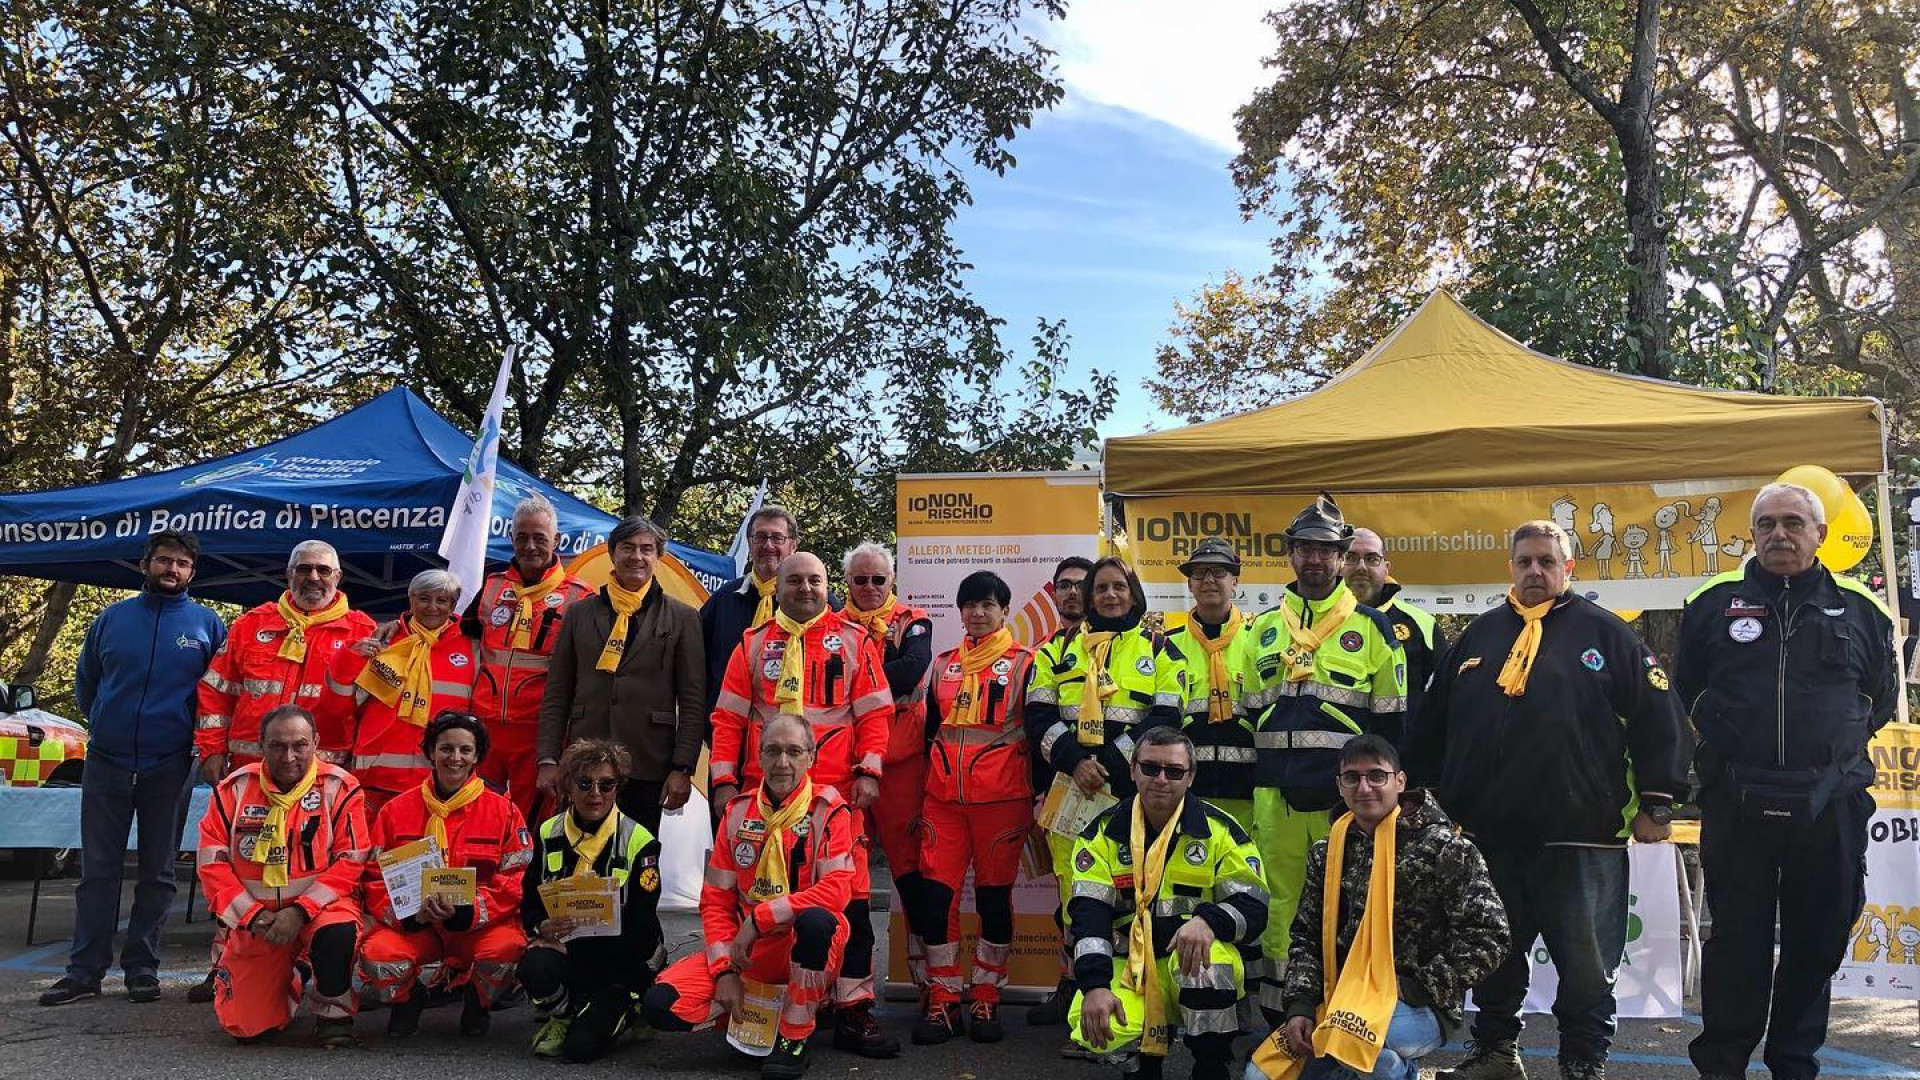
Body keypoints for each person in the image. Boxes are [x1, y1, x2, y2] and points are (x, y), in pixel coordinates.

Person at [1407, 520, 1688, 1080]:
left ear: (1568, 569)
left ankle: (1583, 1063)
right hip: (1485, 840)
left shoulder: (1607, 635)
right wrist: (1415, 793)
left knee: (1586, 967)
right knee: (1493, 956)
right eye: (1525, 562)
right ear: (1510, 568)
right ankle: (1495, 1054)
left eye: (1546, 561)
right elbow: (1431, 724)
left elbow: (1663, 720)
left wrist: (1659, 802)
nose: (1535, 571)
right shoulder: (1477, 637)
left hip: (1580, 839)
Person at [1679, 482, 1897, 1080]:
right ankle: (1723, 1063)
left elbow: (1878, 700)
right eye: (1767, 524)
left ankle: (1793, 1061)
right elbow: (1685, 689)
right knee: (1737, 943)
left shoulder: (1861, 608)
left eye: (1794, 523)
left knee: (1818, 938)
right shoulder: (1712, 601)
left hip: (1831, 804)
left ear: (1820, 534)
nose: (1780, 534)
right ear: (1752, 535)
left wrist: (1826, 755)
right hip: (1737, 801)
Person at [708, 551, 898, 1057]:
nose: (807, 588)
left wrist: (870, 770)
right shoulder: (751, 644)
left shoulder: (855, 641)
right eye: (796, 580)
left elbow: (877, 713)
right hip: (765, 799)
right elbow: (727, 720)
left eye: (815, 580)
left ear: (827, 585)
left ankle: (854, 1009)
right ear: (779, 586)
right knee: (765, 898)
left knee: (850, 904)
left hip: (836, 798)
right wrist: (723, 779)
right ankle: (777, 997)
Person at [1236, 494, 1406, 1020]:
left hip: (1348, 803)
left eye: (1326, 550)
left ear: (1342, 557)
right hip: (1275, 801)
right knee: (1282, 908)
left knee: (1352, 906)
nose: (1315, 559)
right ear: (1290, 554)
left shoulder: (1374, 628)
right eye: (1305, 548)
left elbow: (1392, 725)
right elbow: (1248, 714)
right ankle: (1282, 1018)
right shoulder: (1261, 629)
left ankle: (1349, 1014)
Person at [40, 531, 226, 1008]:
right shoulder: (112, 619)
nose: (172, 570)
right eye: (164, 560)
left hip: (170, 763)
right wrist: (107, 725)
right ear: (146, 564)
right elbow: (88, 684)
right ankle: (84, 972)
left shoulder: (208, 625)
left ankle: (142, 968)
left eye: (182, 563)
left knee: (158, 871)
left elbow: (216, 695)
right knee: (97, 870)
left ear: (192, 571)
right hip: (108, 759)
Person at [1257, 734, 1508, 1080]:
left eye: (1377, 775)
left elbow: (1491, 935)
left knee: (1349, 1043)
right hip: (1339, 999)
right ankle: (1390, 1070)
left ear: (1400, 781)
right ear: (1340, 786)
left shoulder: (1445, 847)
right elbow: (1307, 936)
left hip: (1416, 1003)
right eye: (1352, 777)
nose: (1364, 787)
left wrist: (1418, 985)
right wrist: (1300, 1006)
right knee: (1260, 1074)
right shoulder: (1327, 851)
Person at [189, 539, 375, 1004]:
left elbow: (372, 708)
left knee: (319, 876)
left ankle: (318, 965)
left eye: (323, 571)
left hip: (323, 785)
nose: (314, 578)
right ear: (288, 575)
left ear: (339, 578)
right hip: (248, 776)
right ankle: (223, 967)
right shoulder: (253, 624)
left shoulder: (361, 631)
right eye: (304, 569)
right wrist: (211, 747)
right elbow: (216, 690)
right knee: (239, 873)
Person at [644, 713, 861, 1080]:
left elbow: (837, 892)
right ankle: (751, 1019)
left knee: (818, 922)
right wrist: (725, 970)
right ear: (758, 757)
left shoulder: (830, 811)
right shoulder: (737, 811)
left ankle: (795, 1034)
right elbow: (715, 901)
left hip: (796, 941)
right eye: (773, 751)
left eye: (794, 751)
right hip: (747, 952)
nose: (782, 763)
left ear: (812, 757)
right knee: (660, 1006)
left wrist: (761, 917)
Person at [1027, 555, 1184, 1026]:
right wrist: (1076, 762)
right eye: (1101, 589)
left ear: (1134, 594)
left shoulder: (1161, 650)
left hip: (1133, 792)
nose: (1110, 596)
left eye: (1119, 587)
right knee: (1076, 898)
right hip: (1071, 792)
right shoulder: (1055, 652)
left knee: (1129, 897)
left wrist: (1112, 763)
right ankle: (1078, 996)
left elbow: (1166, 717)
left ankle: (1135, 1001)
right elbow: (1038, 717)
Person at [1066, 727, 1268, 1080]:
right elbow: (1088, 918)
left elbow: (1253, 906)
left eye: (1174, 771)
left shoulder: (1220, 831)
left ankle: (1211, 1065)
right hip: (1127, 962)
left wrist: (1209, 921)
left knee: (1211, 969)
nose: (1161, 779)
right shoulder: (1101, 835)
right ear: (1132, 770)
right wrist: (1095, 985)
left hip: (1187, 962)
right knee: (1094, 1019)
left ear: (1190, 777)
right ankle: (1138, 1068)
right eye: (1150, 768)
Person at [908, 570, 1037, 1045]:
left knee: (991, 900)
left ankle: (986, 995)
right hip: (943, 801)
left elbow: (1037, 730)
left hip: (1002, 802)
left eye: (987, 604)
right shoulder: (943, 665)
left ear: (1004, 611)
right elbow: (930, 733)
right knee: (934, 899)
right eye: (969, 605)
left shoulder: (1027, 663)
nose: (978, 613)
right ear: (960, 611)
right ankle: (943, 998)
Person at [194, 705, 368, 1047]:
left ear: (316, 743)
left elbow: (351, 861)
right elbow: (212, 865)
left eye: (299, 745)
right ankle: (294, 973)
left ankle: (334, 1015)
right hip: (259, 920)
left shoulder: (339, 788)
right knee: (245, 1027)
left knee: (337, 932)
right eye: (277, 745)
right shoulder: (233, 791)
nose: (289, 756)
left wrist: (300, 911)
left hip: (319, 912)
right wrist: (253, 915)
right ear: (260, 745)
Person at [359, 711, 533, 1038]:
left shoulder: (504, 811)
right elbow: (373, 879)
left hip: (475, 925)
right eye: (446, 748)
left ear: (478, 756)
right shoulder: (395, 811)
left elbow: (516, 878)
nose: (455, 758)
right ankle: (408, 1000)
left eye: (465, 750)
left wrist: (467, 911)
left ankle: (477, 1002)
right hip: (416, 924)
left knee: (506, 950)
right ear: (431, 751)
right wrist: (411, 914)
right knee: (378, 956)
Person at [538, 515, 705, 836]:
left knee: (638, 859)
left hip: (649, 761)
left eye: (646, 549)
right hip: (584, 761)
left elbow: (693, 700)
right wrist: (547, 758)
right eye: (627, 548)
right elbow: (557, 693)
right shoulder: (579, 614)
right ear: (612, 554)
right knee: (581, 859)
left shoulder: (683, 618)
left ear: (659, 558)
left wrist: (683, 767)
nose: (637, 556)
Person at [519, 738, 666, 1063]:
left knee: (580, 1050)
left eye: (606, 784)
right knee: (532, 965)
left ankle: (629, 1008)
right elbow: (528, 899)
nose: (595, 793)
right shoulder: (546, 833)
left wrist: (581, 946)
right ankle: (565, 1012)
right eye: (585, 783)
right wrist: (540, 926)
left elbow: (642, 924)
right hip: (569, 952)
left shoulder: (640, 840)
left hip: (621, 960)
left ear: (618, 787)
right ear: (568, 787)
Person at [840, 542, 935, 1000]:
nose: (871, 588)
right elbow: (887, 675)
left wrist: (856, 674)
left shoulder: (913, 620)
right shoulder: (831, 625)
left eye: (879, 579)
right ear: (848, 583)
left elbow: (913, 669)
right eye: (861, 580)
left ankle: (931, 985)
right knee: (843, 877)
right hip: (845, 764)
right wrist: (880, 670)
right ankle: (844, 987)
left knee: (911, 875)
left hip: (901, 766)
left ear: (892, 580)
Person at [469, 493, 596, 825]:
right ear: (511, 539)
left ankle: (523, 879)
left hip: (539, 732)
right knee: (481, 817)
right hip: (486, 728)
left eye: (539, 538)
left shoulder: (580, 597)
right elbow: (449, 633)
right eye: (521, 537)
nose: (530, 546)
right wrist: (398, 625)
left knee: (532, 824)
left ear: (555, 540)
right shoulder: (492, 587)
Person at [318, 569, 478, 819]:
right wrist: (350, 658)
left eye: (442, 600)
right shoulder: (381, 642)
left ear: (454, 604)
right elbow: (337, 708)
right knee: (373, 856)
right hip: (375, 781)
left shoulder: (472, 649)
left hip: (439, 785)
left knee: (426, 857)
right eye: (424, 598)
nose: (432, 607)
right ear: (410, 599)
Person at [1168, 538, 1256, 830]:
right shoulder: (1167, 646)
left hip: (1250, 791)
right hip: (1185, 790)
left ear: (1235, 581)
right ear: (1190, 584)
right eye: (1199, 572)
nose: (1208, 580)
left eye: (1218, 572)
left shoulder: (1259, 640)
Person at [701, 504, 801, 713]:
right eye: (760, 537)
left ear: (793, 546)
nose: (768, 545)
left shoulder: (815, 602)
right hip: (729, 730)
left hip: (792, 734)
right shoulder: (723, 600)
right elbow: (698, 666)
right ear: (749, 542)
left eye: (777, 538)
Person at [1343, 528, 1446, 723]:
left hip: (1404, 752)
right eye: (1351, 558)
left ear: (1386, 568)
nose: (1361, 567)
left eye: (1372, 558)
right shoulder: (1316, 621)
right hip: (1334, 749)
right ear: (1338, 562)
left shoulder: (1422, 624)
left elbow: (1444, 700)